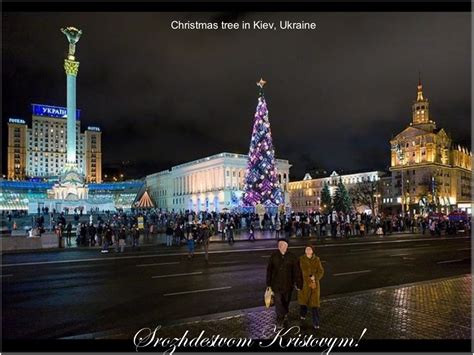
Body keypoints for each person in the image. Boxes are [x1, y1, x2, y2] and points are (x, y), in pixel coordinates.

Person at [266, 239, 302, 329]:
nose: (280, 246)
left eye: (282, 244)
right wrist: (268, 283)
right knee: (278, 302)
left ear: (286, 246)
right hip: (276, 285)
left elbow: (297, 271)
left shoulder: (292, 257)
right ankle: (280, 320)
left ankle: (285, 312)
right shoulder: (274, 256)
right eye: (279, 244)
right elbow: (269, 270)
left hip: (288, 285)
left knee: (286, 301)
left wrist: (299, 283)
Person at [297, 245, 324, 330]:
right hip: (304, 285)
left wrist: (315, 277)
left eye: (310, 249)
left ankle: (316, 322)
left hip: (314, 285)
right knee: (303, 303)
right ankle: (303, 315)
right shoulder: (301, 259)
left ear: (312, 251)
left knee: (314, 305)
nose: (308, 250)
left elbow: (321, 271)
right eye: (306, 249)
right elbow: (297, 272)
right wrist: (297, 283)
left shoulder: (317, 259)